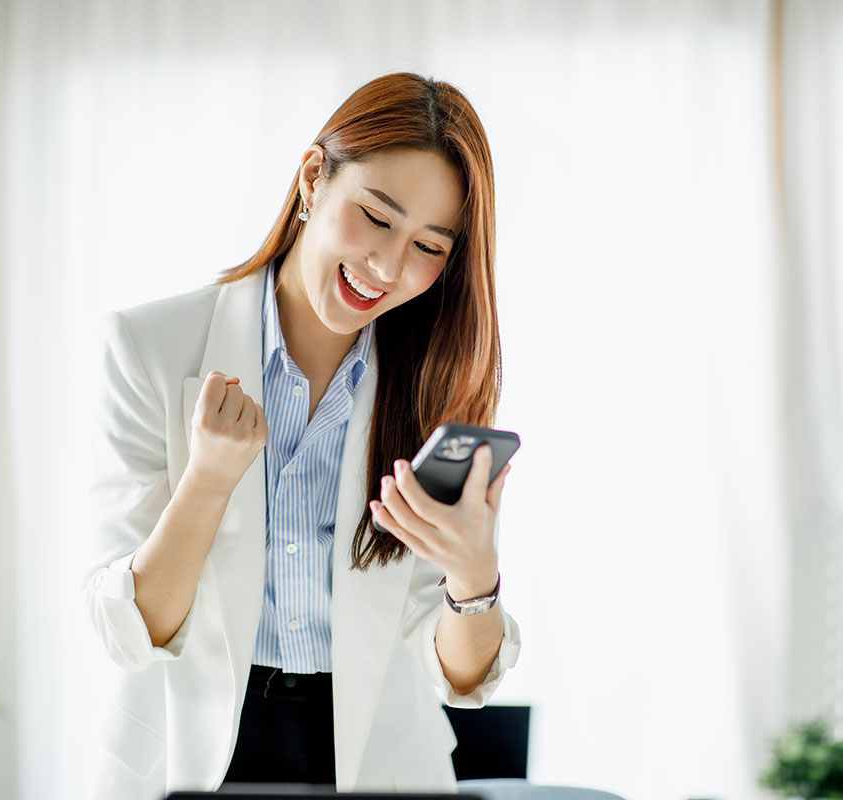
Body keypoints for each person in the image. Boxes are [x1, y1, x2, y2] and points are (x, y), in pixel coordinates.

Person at [83, 72, 521, 800]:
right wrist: (208, 482)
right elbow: (128, 631)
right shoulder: (150, 347)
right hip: (188, 760)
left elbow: (457, 677)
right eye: (377, 217)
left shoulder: (432, 389)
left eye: (429, 246)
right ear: (314, 177)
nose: (387, 267)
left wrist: (473, 579)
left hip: (378, 765)